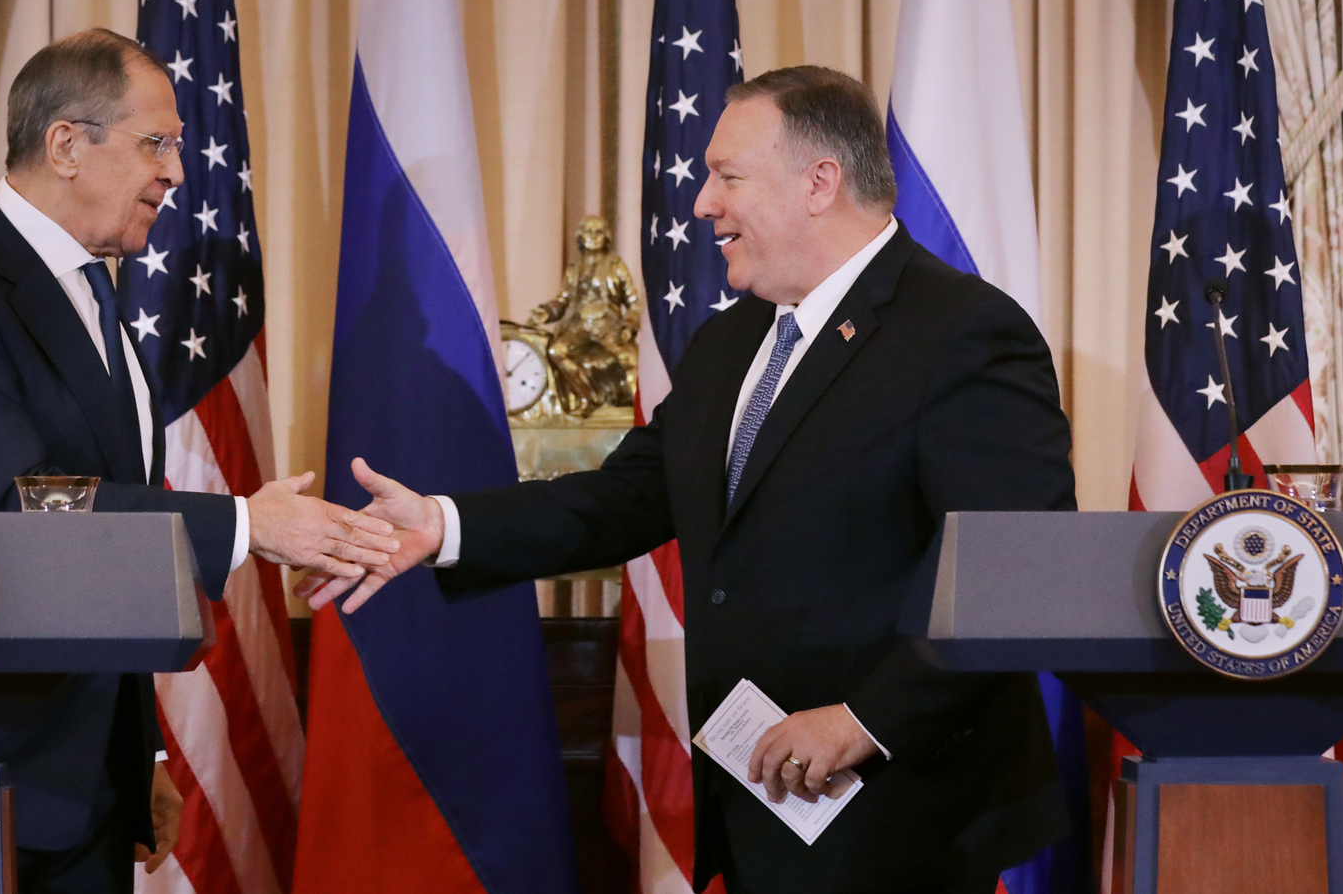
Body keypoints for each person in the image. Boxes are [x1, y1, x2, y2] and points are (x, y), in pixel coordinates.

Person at [307, 66, 1075, 892]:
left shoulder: (962, 332)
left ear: (820, 183)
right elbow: (625, 499)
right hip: (762, 801)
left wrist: (866, 721)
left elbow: (1020, 572)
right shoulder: (732, 341)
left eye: (727, 176)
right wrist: (443, 526)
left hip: (906, 813)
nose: (704, 203)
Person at [0, 28, 399, 893]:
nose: (176, 173)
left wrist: (138, 746)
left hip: (89, 779)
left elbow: (104, 544)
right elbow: (13, 506)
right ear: (66, 145)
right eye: (157, 143)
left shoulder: (93, 287)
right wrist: (244, 524)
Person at [528, 214, 641, 413]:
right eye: (589, 232)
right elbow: (563, 300)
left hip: (608, 326)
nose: (594, 236)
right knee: (556, 352)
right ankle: (593, 399)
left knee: (629, 360)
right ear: (581, 236)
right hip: (578, 326)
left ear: (606, 236)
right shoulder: (574, 267)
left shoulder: (615, 265)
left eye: (598, 232)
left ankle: (639, 410)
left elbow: (634, 303)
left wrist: (628, 326)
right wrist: (545, 312)